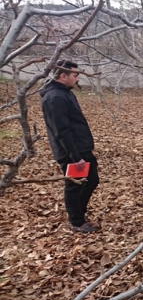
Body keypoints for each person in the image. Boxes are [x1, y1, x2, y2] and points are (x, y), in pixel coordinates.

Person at [41, 60, 100, 233]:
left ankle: (79, 214)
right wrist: (76, 158)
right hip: (72, 154)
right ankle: (77, 221)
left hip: (82, 149)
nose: (78, 79)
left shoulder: (64, 92)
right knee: (75, 186)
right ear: (63, 76)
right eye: (75, 75)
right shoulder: (55, 98)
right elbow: (62, 131)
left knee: (92, 180)